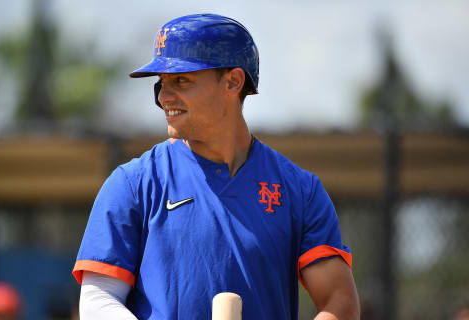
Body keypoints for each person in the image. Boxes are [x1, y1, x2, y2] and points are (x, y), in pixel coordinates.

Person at [73, 13, 360, 320]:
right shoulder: (133, 184)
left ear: (233, 82)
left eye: (181, 80)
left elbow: (338, 302)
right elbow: (97, 300)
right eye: (161, 83)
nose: (164, 97)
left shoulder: (299, 190)